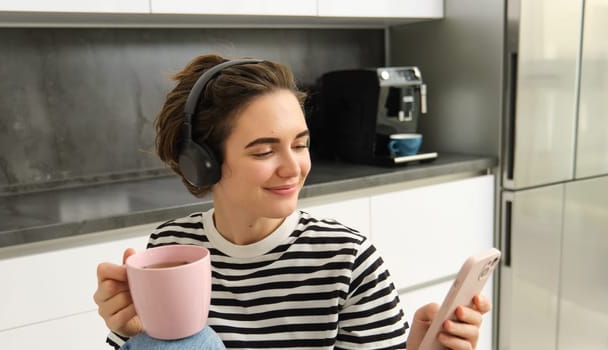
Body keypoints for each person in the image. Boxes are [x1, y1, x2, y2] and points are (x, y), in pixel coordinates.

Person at [94, 54, 492, 349]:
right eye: (265, 151)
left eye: (300, 145)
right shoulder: (169, 251)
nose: (294, 168)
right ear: (203, 163)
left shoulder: (347, 259)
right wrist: (131, 333)